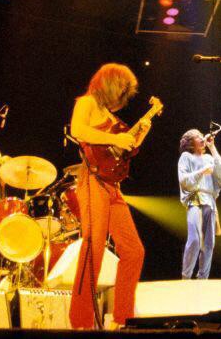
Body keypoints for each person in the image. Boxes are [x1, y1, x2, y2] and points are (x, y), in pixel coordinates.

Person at [68, 63, 151, 329]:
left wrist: (139, 135)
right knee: (93, 246)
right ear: (110, 85)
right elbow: (78, 130)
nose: (123, 98)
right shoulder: (87, 102)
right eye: (122, 90)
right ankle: (80, 322)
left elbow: (121, 152)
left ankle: (122, 319)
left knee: (133, 251)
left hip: (112, 186)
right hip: (92, 181)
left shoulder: (109, 114)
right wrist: (116, 140)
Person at [177, 128, 221, 279]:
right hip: (195, 200)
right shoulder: (186, 157)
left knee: (209, 243)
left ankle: (203, 278)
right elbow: (184, 180)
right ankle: (186, 277)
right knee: (195, 240)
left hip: (209, 202)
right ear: (190, 143)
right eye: (198, 136)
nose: (202, 138)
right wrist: (201, 171)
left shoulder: (209, 158)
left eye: (201, 135)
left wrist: (212, 147)